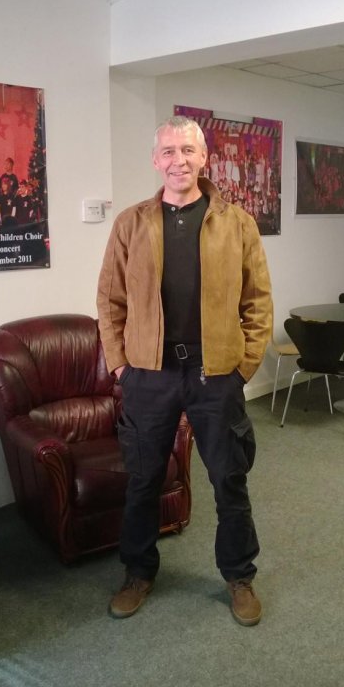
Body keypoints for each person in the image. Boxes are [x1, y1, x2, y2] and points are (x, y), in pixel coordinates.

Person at [97, 116, 272, 626]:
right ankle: (138, 573)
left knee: (229, 479)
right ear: (156, 161)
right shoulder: (130, 223)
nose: (180, 160)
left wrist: (243, 366)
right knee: (143, 479)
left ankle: (239, 576)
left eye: (188, 151)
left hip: (214, 373)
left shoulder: (236, 222)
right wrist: (121, 365)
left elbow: (258, 301)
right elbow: (110, 300)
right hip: (149, 374)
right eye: (170, 152)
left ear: (204, 158)